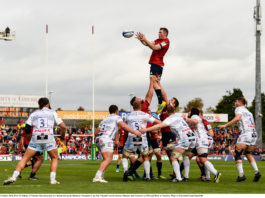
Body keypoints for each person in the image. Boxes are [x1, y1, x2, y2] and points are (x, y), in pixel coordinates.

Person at [3, 97, 66, 185]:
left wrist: (29, 138)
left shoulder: (34, 113)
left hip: (36, 137)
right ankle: (52, 180)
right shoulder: (52, 112)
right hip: (48, 137)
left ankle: (13, 176)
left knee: (25, 158)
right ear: (48, 104)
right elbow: (63, 127)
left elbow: (27, 128)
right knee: (54, 158)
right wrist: (62, 136)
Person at [140, 104, 196, 182]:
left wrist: (146, 129)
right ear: (174, 111)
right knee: (186, 156)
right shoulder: (179, 117)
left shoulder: (169, 119)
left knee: (173, 157)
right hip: (192, 137)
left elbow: (159, 126)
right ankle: (186, 177)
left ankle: (178, 178)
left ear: (166, 112)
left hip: (184, 138)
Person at [93, 105, 141, 183]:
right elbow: (123, 126)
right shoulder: (117, 117)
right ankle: (97, 177)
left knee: (107, 159)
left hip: (98, 139)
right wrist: (134, 131)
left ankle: (101, 176)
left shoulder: (104, 119)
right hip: (106, 139)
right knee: (108, 159)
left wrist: (116, 140)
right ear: (116, 111)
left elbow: (96, 132)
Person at [218, 97, 261, 182]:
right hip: (253, 133)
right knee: (248, 153)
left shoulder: (239, 109)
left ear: (240, 103)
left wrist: (226, 125)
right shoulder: (249, 112)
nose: (235, 103)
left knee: (237, 153)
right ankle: (257, 172)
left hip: (246, 134)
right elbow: (254, 123)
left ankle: (241, 175)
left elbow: (237, 118)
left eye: (236, 101)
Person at [122, 100, 161, 182]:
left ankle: (126, 172)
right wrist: (151, 129)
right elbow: (158, 123)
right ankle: (147, 177)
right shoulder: (145, 115)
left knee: (125, 156)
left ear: (133, 107)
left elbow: (124, 127)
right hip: (142, 137)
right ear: (140, 107)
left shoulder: (128, 116)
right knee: (145, 157)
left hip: (131, 137)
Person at [183, 108, 221, 183]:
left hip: (202, 140)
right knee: (200, 159)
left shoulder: (195, 117)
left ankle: (216, 173)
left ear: (193, 113)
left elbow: (195, 121)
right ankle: (207, 176)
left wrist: (186, 119)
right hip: (201, 140)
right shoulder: (195, 118)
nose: (188, 112)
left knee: (202, 159)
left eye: (190, 111)